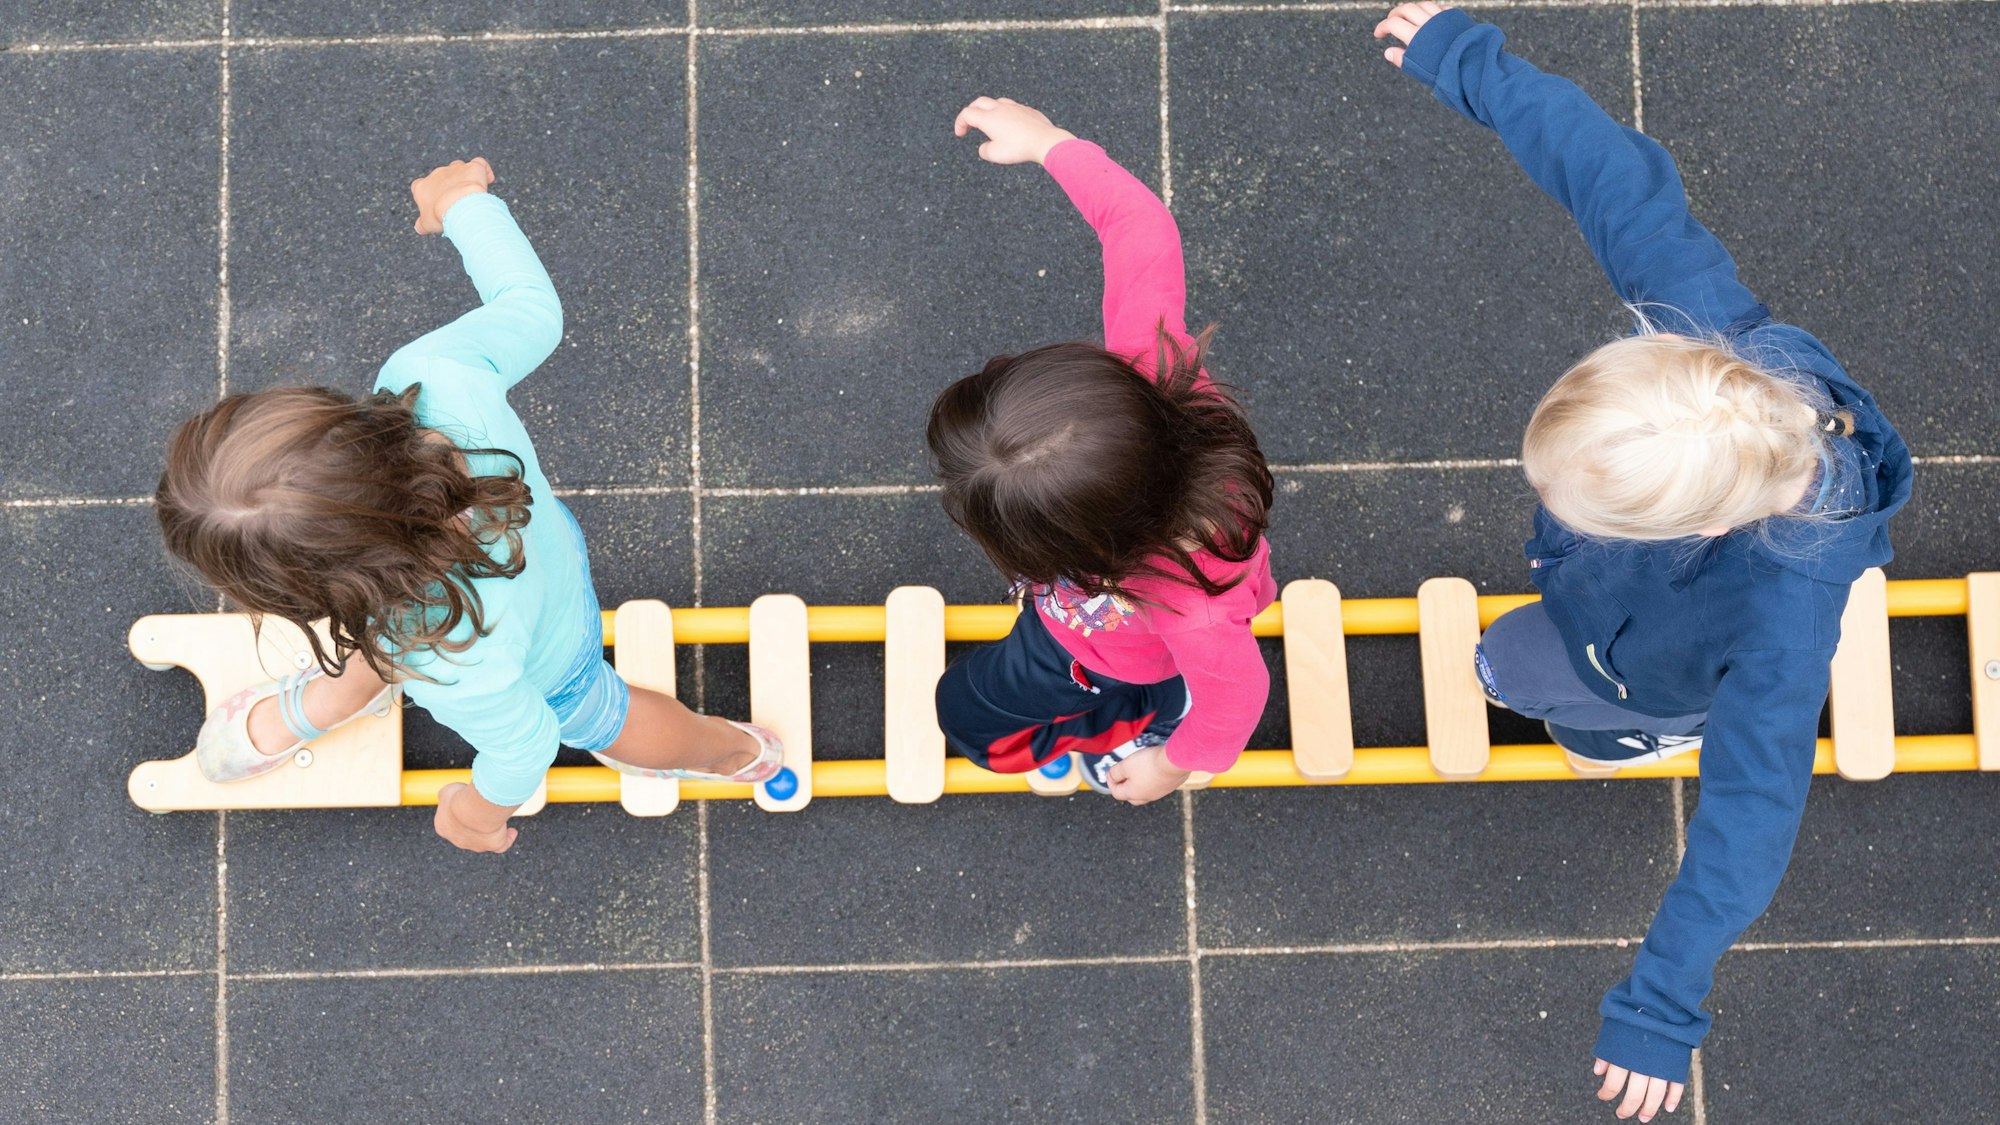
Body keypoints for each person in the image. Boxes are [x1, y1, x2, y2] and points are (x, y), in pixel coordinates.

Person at [1375, 5, 1913, 1119]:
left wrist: (1658, 1007)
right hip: (1610, 600)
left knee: (1540, 691)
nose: (1543, 503)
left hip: (1654, 660)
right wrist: (1468, 66)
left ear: (1698, 527)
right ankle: (1599, 678)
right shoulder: (1706, 347)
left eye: (1577, 503)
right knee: (1508, 661)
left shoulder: (1781, 623)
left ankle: (1649, 724)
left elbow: (1751, 815)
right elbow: (1613, 181)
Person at [154, 158, 783, 853]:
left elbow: (528, 742)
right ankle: (342, 691)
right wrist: (464, 204)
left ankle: (730, 750)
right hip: (535, 545)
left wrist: (480, 811)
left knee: (597, 711)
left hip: (542, 654)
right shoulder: (428, 379)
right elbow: (530, 309)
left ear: (302, 593)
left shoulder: (442, 651)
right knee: (397, 632)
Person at [927, 97, 1278, 806]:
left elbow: (1238, 701)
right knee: (970, 695)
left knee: (967, 718)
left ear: (1080, 548)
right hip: (1091, 619)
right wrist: (1052, 142)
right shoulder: (1150, 363)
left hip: (1109, 660)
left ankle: (1143, 716)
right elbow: (1137, 225)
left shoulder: (1190, 610)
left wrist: (1169, 765)